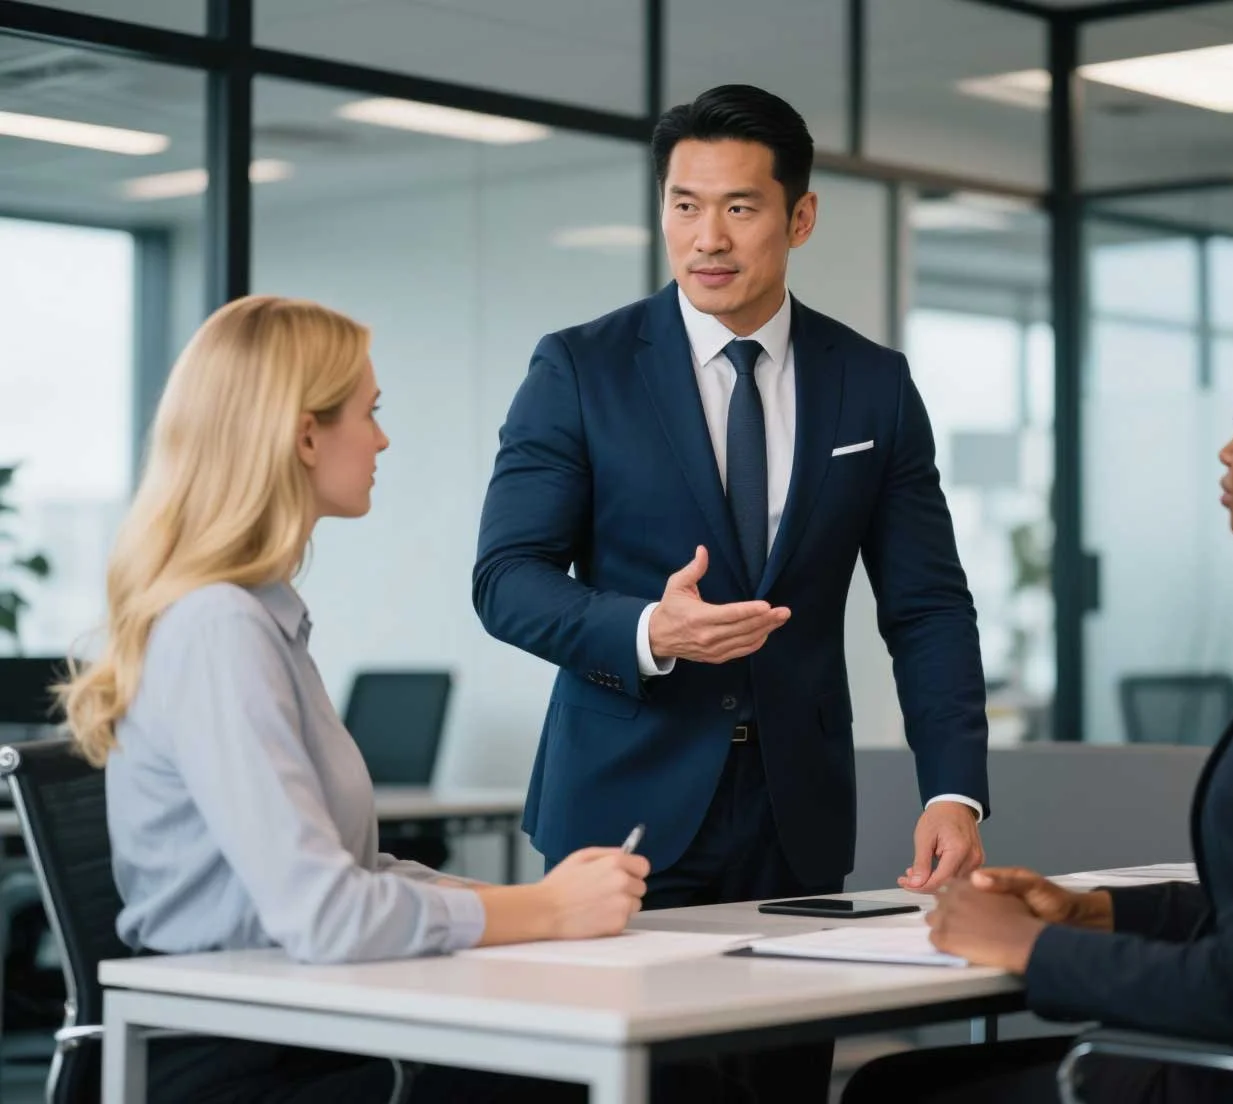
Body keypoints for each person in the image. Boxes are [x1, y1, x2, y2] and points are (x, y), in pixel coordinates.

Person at [473, 83, 990, 1098]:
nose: (705, 238)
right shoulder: (580, 370)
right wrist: (645, 630)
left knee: (776, 1086)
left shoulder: (871, 384)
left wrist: (952, 786)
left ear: (798, 216)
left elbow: (924, 605)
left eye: (739, 208)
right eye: (682, 204)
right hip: (621, 809)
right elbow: (505, 579)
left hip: (792, 818)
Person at [841, 295, 1233, 1104]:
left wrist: (1031, 948)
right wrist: (1091, 911)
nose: (1226, 451)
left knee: (894, 1093)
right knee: (902, 1079)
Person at [59, 295, 648, 1104]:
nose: (381, 438)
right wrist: (542, 911)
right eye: (368, 413)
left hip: (306, 1030)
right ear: (305, 435)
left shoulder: (260, 621)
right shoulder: (218, 627)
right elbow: (326, 915)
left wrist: (545, 899)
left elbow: (356, 873)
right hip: (240, 1063)